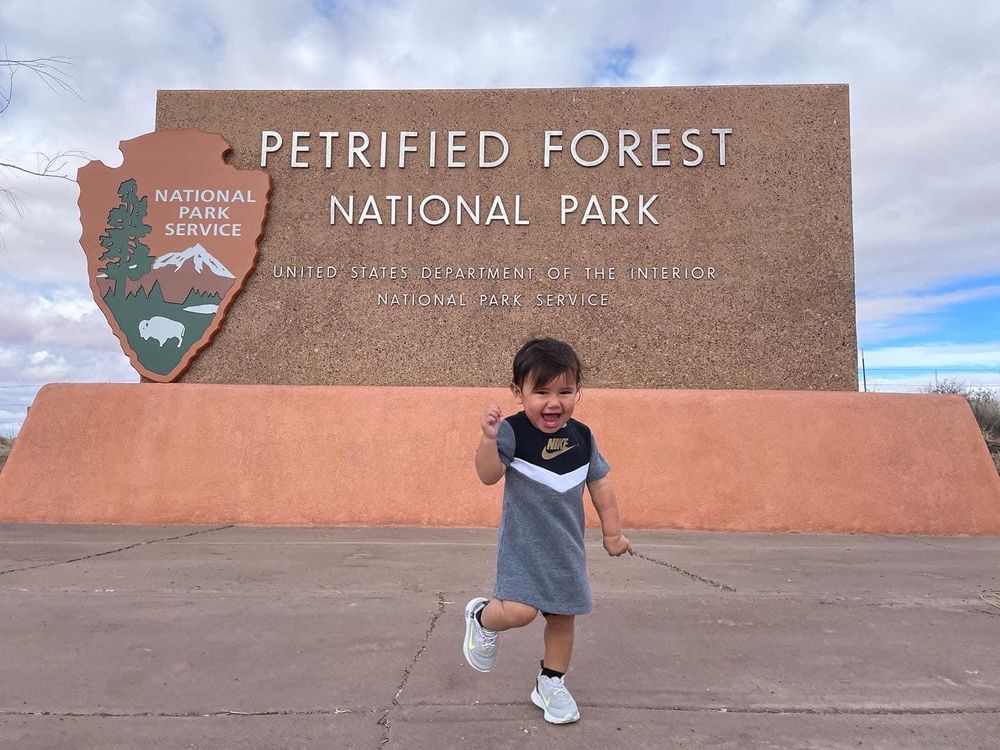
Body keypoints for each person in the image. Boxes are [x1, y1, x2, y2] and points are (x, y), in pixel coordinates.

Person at [463, 337, 634, 725]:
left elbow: (601, 484)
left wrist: (613, 533)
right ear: (517, 392)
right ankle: (482, 617)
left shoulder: (583, 438)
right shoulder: (512, 432)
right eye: (540, 391)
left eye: (564, 391)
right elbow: (488, 476)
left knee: (562, 619)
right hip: (523, 549)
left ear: (578, 392)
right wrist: (489, 440)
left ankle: (550, 683)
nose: (552, 401)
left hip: (565, 551)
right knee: (520, 612)